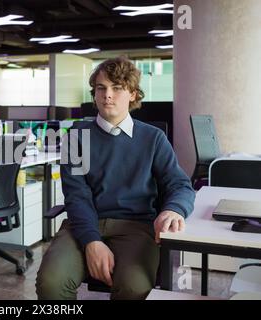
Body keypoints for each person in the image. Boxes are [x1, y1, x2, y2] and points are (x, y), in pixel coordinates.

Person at [36, 57, 195, 300]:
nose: (107, 95)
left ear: (132, 94)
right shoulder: (77, 137)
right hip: (84, 222)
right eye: (101, 88)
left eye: (117, 87)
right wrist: (92, 242)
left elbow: (179, 184)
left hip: (136, 226)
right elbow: (77, 196)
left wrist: (173, 209)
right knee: (51, 283)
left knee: (134, 288)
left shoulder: (153, 138)